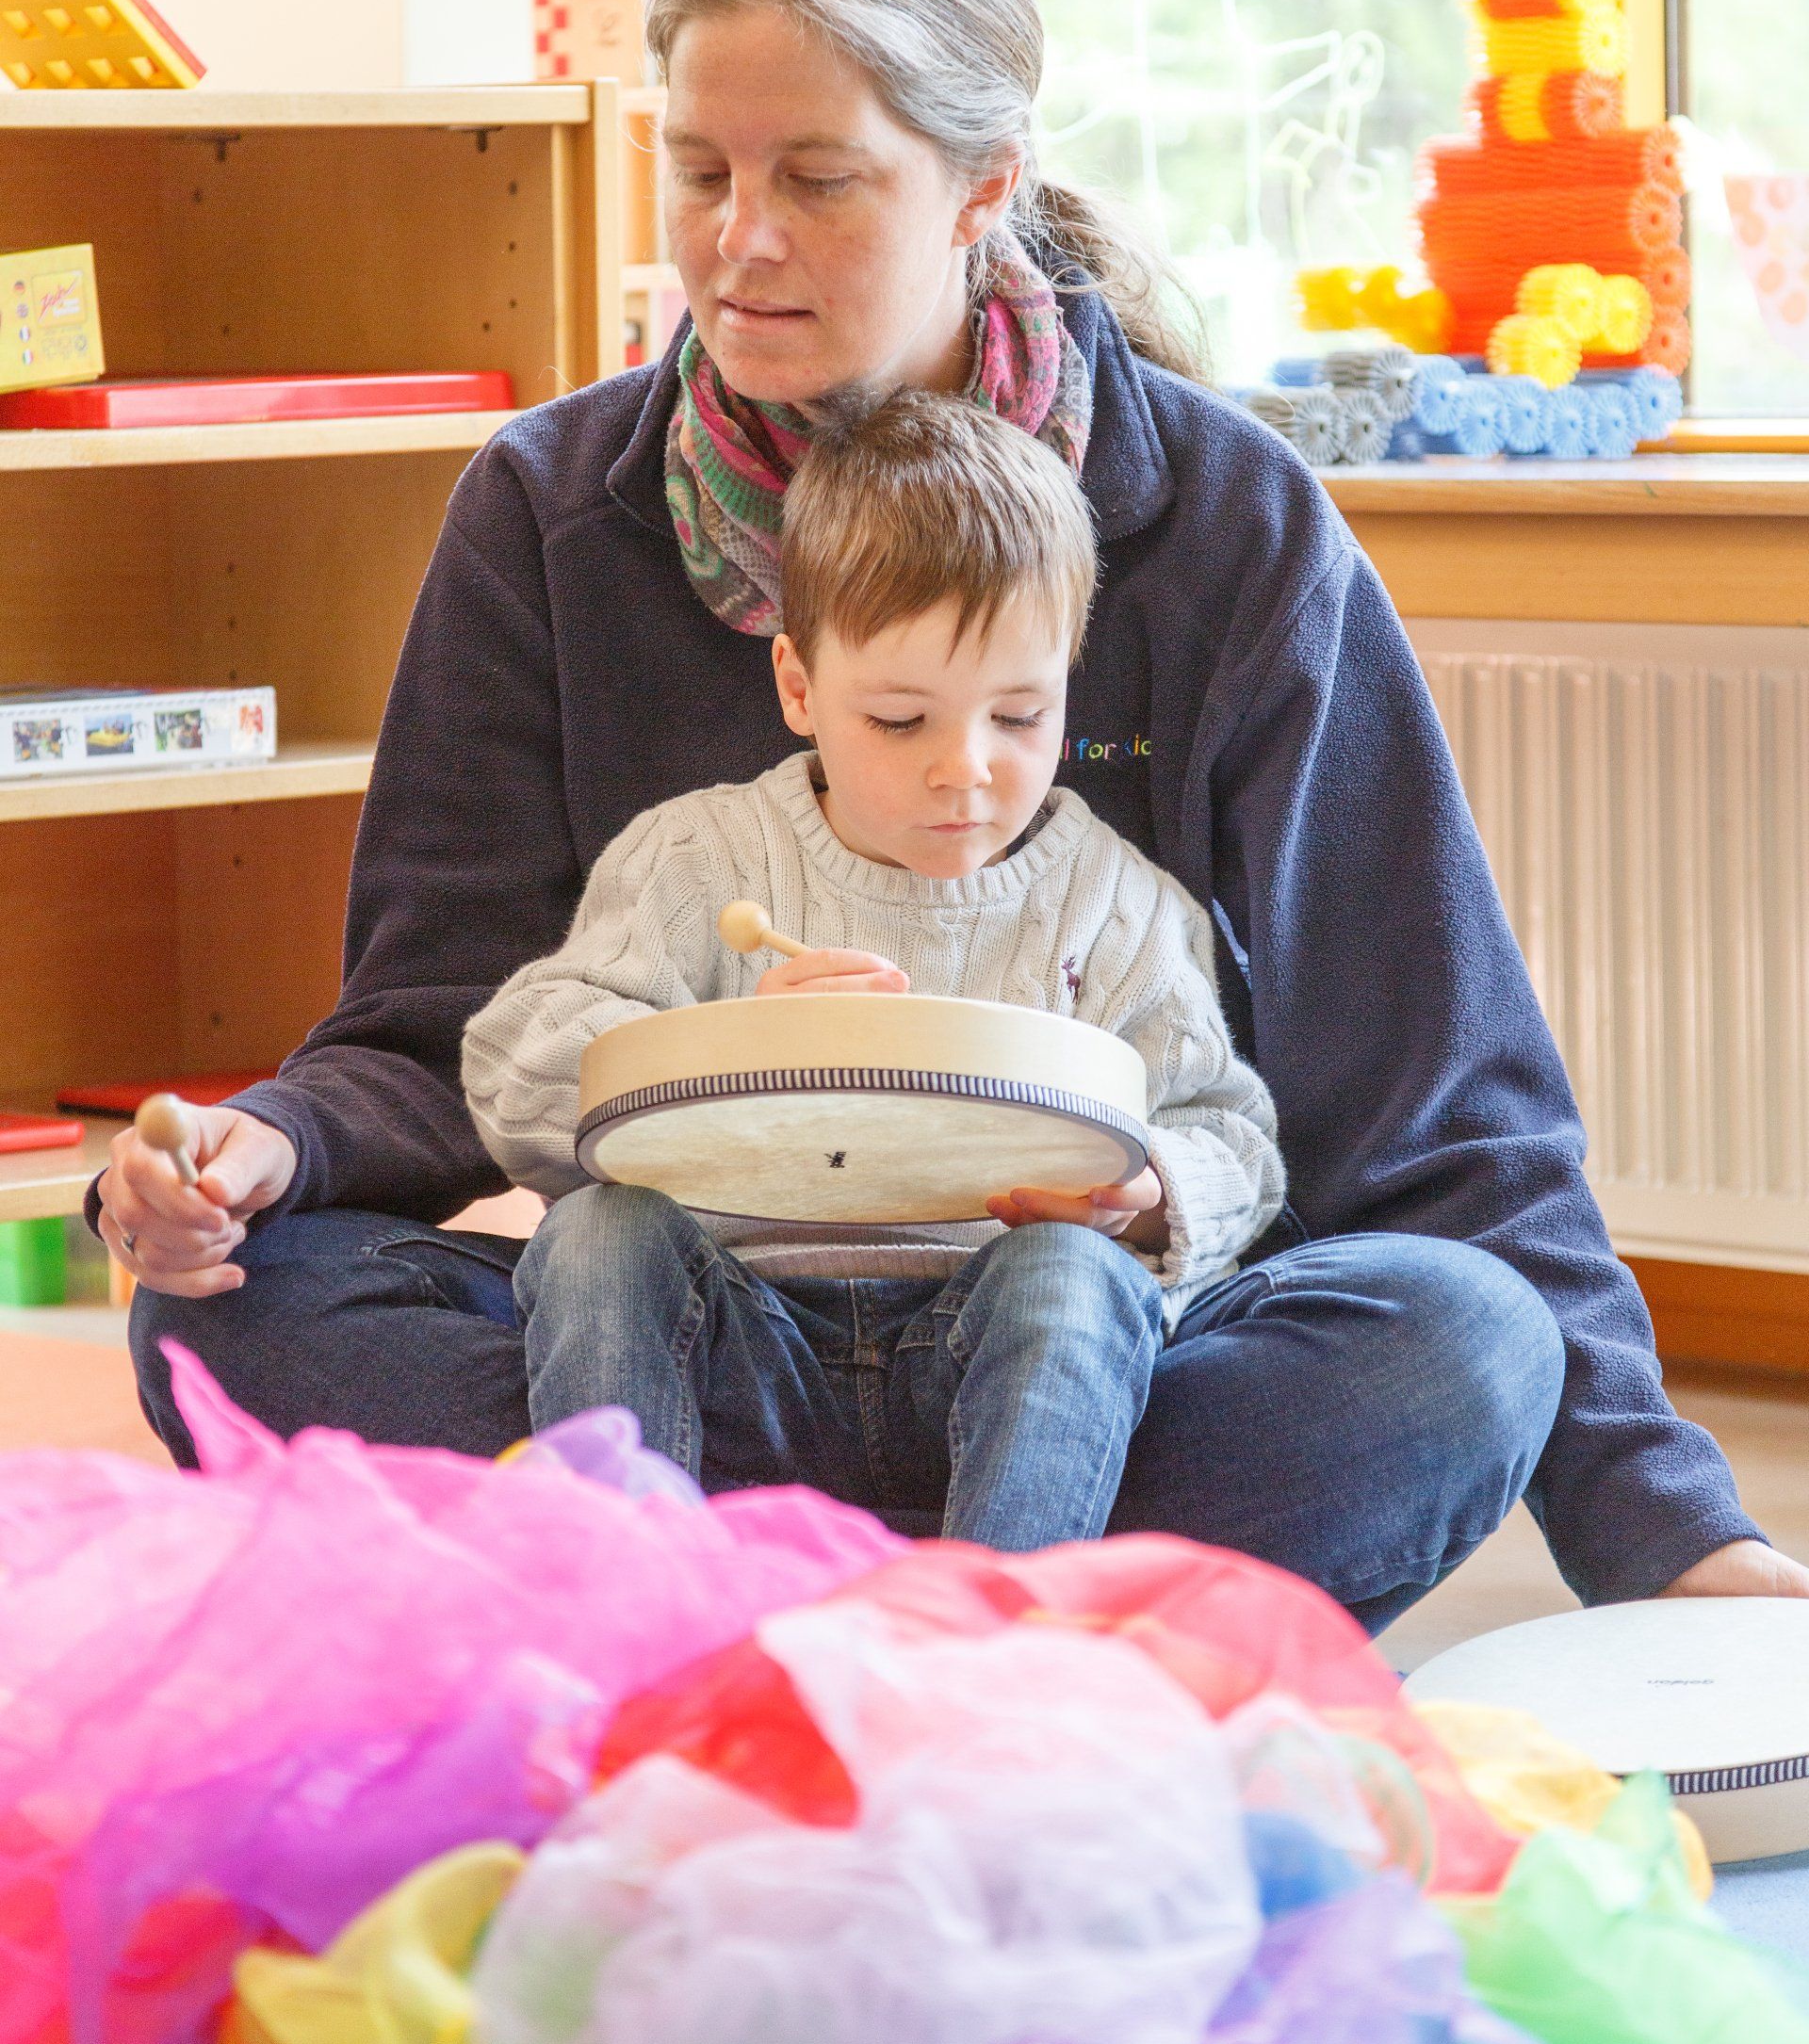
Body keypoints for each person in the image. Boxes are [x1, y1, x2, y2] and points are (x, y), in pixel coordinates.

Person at [98, 0, 1802, 1630]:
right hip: (690, 1336)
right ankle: (972, 1614)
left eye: (818, 179)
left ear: (985, 184)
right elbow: (439, 1025)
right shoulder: (547, 510)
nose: (740, 241)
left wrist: (1665, 1529)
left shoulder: (1232, 524)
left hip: (1090, 1361)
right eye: (700, 172)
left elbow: (1438, 1100)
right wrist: (261, 1149)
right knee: (243, 1305)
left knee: (1459, 1343)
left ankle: (786, 1602)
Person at [462, 393, 1287, 1551]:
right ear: (800, 688)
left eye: (1020, 715)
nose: (968, 771)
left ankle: (991, 1615)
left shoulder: (1119, 903)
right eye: (902, 721)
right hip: (736, 1350)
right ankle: (628, 1583)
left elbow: (1233, 1138)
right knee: (597, 1233)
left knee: (1081, 1275)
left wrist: (1151, 1190)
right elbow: (511, 1069)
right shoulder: (697, 858)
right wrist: (722, 1050)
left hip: (986, 1369)